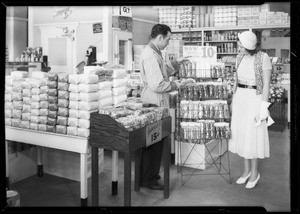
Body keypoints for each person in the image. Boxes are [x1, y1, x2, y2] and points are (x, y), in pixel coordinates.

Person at [139, 24, 190, 190]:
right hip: (155, 102)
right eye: (167, 39)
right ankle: (148, 179)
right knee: (153, 142)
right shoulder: (150, 56)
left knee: (154, 142)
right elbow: (158, 84)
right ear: (159, 37)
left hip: (156, 100)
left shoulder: (155, 53)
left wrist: (176, 63)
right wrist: (177, 84)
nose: (168, 42)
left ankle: (149, 175)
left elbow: (162, 72)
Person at [228, 30, 274, 189]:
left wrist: (264, 107)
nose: (238, 47)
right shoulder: (239, 57)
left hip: (255, 98)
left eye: (240, 45)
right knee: (241, 134)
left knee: (253, 135)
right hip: (240, 98)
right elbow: (236, 80)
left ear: (248, 46)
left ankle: (255, 173)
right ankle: (246, 171)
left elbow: (267, 83)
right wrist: (233, 101)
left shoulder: (263, 58)